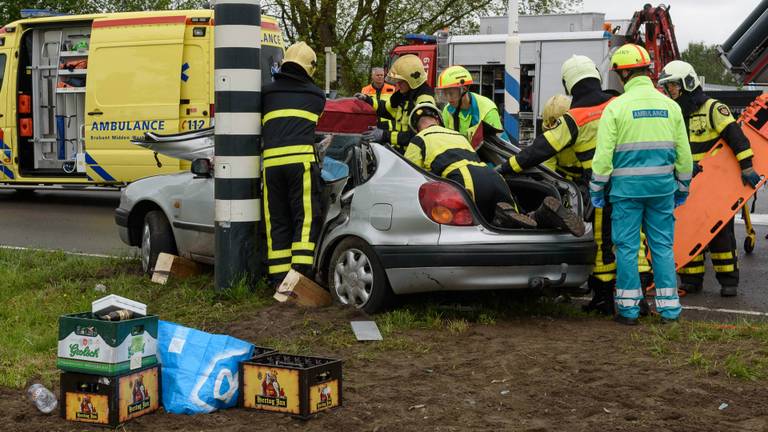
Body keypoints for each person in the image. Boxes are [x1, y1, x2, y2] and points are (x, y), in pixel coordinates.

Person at [499, 56, 652, 315]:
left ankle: (605, 299)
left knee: (604, 246)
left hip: (606, 188)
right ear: (596, 75)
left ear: (568, 84)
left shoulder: (575, 118)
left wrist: (503, 169)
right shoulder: (619, 104)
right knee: (634, 240)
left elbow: (538, 150)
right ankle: (639, 299)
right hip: (638, 183)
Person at [590, 44, 693, 325]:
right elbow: (684, 156)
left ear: (622, 75)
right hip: (662, 190)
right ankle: (670, 311)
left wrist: (597, 190)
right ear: (647, 70)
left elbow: (603, 159)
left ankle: (628, 311)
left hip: (626, 192)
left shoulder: (616, 108)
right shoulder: (670, 107)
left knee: (625, 247)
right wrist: (683, 188)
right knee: (661, 247)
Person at [658, 60, 761, 297]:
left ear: (687, 83)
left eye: (673, 86)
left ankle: (728, 281)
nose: (670, 91)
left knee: (721, 235)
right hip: (686, 184)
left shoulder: (713, 108)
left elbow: (737, 138)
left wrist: (746, 167)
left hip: (714, 185)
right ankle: (691, 281)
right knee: (688, 229)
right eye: (668, 87)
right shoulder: (674, 114)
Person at [405, 102, 584, 235]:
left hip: (465, 180)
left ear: (415, 127)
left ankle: (502, 219)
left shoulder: (419, 140)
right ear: (438, 118)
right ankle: (541, 215)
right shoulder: (458, 135)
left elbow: (410, 176)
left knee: (486, 225)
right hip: (492, 176)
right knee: (521, 218)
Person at [261, 42, 326, 288]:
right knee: (305, 217)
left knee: (276, 218)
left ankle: (277, 277)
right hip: (300, 162)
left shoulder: (267, 93)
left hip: (271, 165)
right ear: (309, 68)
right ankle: (300, 275)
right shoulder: (316, 95)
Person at [355, 54, 435, 153]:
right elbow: (385, 109)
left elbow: (419, 136)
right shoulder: (405, 95)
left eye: (401, 81)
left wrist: (384, 135)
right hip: (403, 154)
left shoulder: (424, 102)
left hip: (415, 158)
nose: (398, 84)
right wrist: (367, 100)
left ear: (411, 81)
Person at [435, 65, 503, 145]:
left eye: (451, 93)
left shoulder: (487, 109)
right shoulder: (448, 110)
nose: (448, 99)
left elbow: (496, 146)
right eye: (445, 94)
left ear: (464, 89)